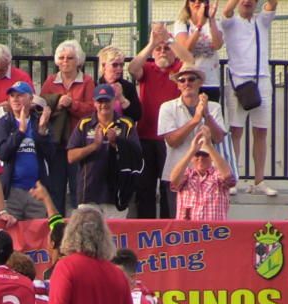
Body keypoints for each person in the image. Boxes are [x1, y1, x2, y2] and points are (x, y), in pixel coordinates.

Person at [128, 24, 193, 218]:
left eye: (167, 49)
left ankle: (167, 228)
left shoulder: (178, 71)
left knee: (169, 187)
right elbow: (132, 68)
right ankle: (146, 228)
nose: (163, 51)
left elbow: (190, 60)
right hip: (146, 136)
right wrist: (152, 44)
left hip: (170, 139)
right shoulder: (147, 68)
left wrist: (170, 40)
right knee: (145, 187)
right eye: (160, 49)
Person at [221, 0, 278, 196]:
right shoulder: (230, 22)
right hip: (238, 82)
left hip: (261, 79)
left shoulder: (261, 20)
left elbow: (273, 4)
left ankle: (259, 181)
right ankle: (233, 179)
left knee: (261, 131)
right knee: (236, 131)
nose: (247, 2)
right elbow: (227, 10)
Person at [66, 85, 140, 218]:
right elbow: (71, 157)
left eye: (107, 100)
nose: (103, 105)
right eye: (100, 101)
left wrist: (116, 142)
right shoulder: (85, 123)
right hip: (88, 193)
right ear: (94, 102)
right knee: (88, 238)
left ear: (114, 101)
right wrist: (94, 146)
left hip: (116, 194)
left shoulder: (126, 124)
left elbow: (137, 154)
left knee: (115, 237)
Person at [157, 64, 228, 201]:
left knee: (207, 219)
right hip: (177, 174)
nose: (186, 83)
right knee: (177, 221)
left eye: (191, 79)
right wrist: (195, 120)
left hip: (208, 176)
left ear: (200, 83)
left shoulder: (214, 107)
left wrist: (206, 115)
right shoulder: (167, 107)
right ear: (177, 85)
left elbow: (218, 138)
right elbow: (172, 141)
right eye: (182, 80)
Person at [41, 40, 95, 215]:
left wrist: (72, 105)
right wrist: (58, 104)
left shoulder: (87, 81)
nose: (65, 62)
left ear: (78, 60)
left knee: (77, 188)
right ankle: (57, 229)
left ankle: (77, 227)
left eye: (70, 58)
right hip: (56, 142)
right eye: (62, 58)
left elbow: (91, 110)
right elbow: (42, 106)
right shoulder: (50, 81)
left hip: (77, 142)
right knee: (56, 188)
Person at [0, 81, 53, 220]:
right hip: (12, 192)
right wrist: (20, 132)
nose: (15, 99)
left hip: (36, 192)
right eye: (12, 96)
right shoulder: (3, 123)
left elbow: (51, 155)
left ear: (31, 99)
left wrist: (42, 131)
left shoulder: (39, 121)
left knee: (37, 237)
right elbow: (2, 153)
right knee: (9, 237)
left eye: (20, 95)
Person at [170, 127, 236, 220]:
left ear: (211, 157)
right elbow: (174, 181)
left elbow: (228, 177)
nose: (200, 158)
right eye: (197, 154)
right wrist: (191, 151)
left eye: (205, 154)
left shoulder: (217, 175)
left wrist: (209, 146)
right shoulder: (187, 174)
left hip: (214, 232)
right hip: (189, 233)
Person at [174, 0, 224, 102]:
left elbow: (217, 44)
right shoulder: (183, 23)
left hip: (211, 81)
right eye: (193, 0)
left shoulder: (215, 23)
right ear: (188, 3)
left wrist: (211, 19)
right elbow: (186, 49)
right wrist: (199, 26)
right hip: (189, 82)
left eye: (201, 0)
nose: (197, 2)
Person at [96, 46, 141, 122]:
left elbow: (136, 115)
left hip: (123, 130)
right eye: (115, 65)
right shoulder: (95, 85)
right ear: (104, 66)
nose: (119, 68)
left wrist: (121, 98)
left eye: (121, 65)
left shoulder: (128, 87)